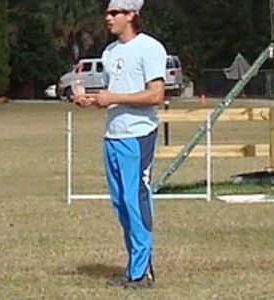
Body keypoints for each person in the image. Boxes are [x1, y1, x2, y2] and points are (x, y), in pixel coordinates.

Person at [74, 0, 167, 290]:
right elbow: (112, 97)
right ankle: (135, 267)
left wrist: (112, 97)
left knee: (134, 201)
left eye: (115, 13)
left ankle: (141, 272)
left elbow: (155, 95)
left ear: (131, 15)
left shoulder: (150, 48)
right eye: (108, 12)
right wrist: (90, 101)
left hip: (137, 136)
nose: (108, 18)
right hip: (112, 136)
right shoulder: (110, 52)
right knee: (120, 206)